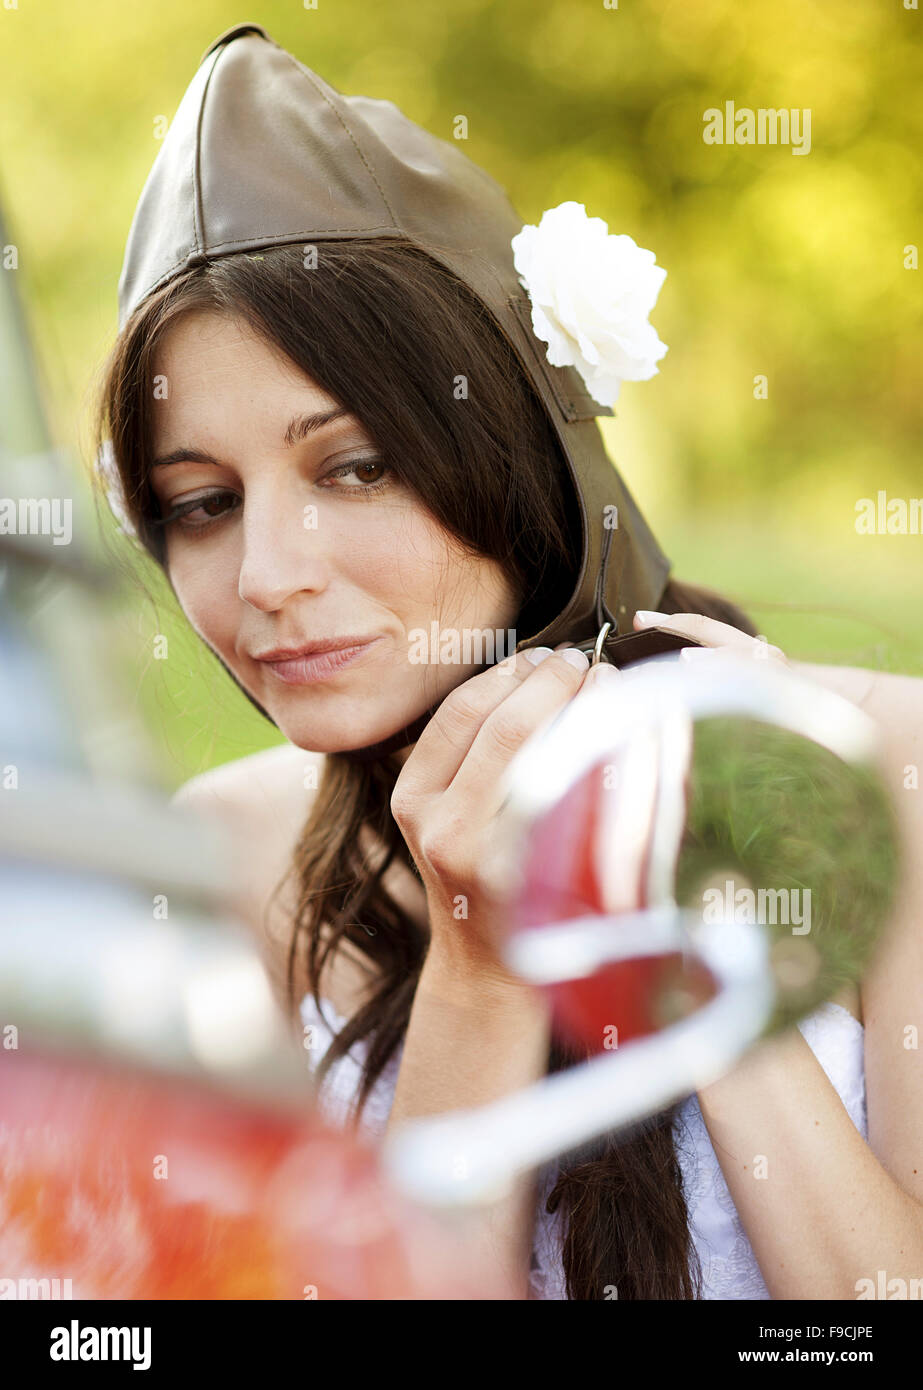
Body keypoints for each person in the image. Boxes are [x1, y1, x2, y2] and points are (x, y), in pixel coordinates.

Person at [93, 24, 923, 1299]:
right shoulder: (223, 871)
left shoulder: (883, 776)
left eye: (354, 466)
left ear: (519, 445)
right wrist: (477, 965)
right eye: (199, 500)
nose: (264, 574)